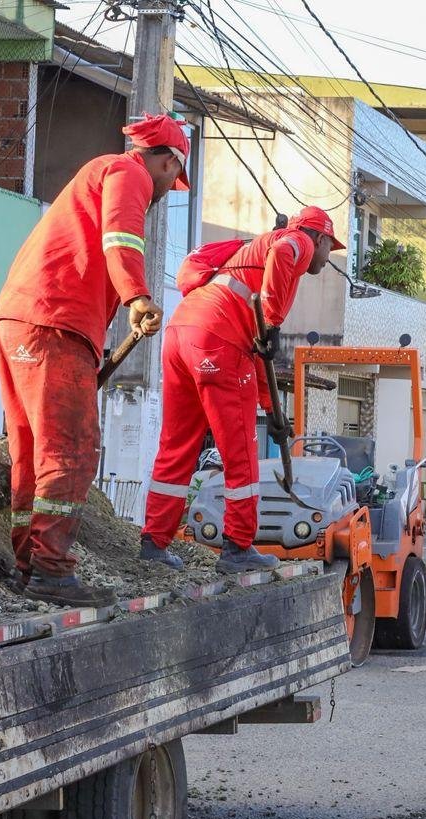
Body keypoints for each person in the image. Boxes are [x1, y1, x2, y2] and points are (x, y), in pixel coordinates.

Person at [0, 114, 188, 607]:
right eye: (172, 177)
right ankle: (52, 572)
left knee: (34, 452)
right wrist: (137, 298)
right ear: (167, 161)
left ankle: (29, 564)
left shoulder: (96, 174)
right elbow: (122, 238)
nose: (167, 188)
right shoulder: (129, 173)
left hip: (19, 319)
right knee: (72, 448)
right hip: (56, 322)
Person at [139, 207, 342, 574]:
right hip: (219, 340)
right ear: (322, 238)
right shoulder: (295, 241)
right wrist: (275, 320)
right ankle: (238, 547)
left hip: (182, 330)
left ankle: (153, 542)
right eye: (331, 248)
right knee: (241, 453)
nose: (327, 259)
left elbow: (257, 353)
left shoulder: (249, 258)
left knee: (177, 445)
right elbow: (285, 258)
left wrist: (273, 411)